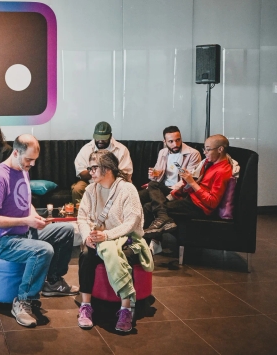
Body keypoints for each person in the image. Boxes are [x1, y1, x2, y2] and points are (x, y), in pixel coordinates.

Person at [0, 134, 79, 328]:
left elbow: (26, 203)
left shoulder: (23, 169)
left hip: (22, 231)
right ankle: (23, 300)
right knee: (43, 249)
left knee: (66, 230)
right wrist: (25, 220)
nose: (32, 164)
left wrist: (34, 217)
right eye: (29, 159)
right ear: (16, 152)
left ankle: (52, 282)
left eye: (34, 160)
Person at [76, 150, 153, 333]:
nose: (91, 172)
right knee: (86, 255)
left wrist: (107, 236)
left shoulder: (127, 189)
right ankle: (86, 306)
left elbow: (131, 222)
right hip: (100, 239)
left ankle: (126, 309)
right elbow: (82, 218)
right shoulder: (90, 189)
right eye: (90, 168)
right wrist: (88, 236)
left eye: (94, 168)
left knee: (122, 256)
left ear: (108, 169)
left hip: (127, 239)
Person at [143, 134, 238, 237]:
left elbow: (212, 202)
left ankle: (145, 245)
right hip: (189, 196)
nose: (205, 153)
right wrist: (187, 179)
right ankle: (163, 218)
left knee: (149, 207)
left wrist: (192, 182)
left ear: (220, 149)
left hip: (198, 206)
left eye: (208, 149)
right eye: (204, 149)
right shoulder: (209, 163)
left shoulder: (222, 171)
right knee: (153, 185)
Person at [138, 126, 201, 241]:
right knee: (136, 197)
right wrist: (153, 175)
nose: (175, 144)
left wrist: (171, 189)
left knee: (150, 198)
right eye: (171, 141)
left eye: (178, 140)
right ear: (165, 142)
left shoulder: (193, 154)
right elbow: (156, 177)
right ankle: (132, 236)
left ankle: (160, 221)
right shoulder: (163, 152)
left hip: (178, 190)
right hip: (160, 188)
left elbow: (190, 180)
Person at [72, 121, 133, 203]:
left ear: (110, 136)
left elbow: (125, 174)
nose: (100, 140)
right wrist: (100, 171)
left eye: (104, 138)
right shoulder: (86, 149)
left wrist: (101, 174)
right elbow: (81, 173)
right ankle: (81, 214)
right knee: (77, 188)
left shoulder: (121, 150)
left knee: (124, 188)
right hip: (91, 183)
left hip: (114, 184)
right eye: (97, 137)